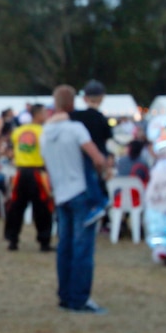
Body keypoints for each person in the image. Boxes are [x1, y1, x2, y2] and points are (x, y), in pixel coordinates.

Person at [41, 85, 108, 314]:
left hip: (60, 193)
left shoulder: (45, 134)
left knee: (65, 247)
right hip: (80, 191)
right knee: (83, 248)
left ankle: (65, 295)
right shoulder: (76, 129)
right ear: (71, 105)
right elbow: (97, 158)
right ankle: (80, 298)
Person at [3, 104, 54, 252]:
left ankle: (12, 239)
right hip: (37, 172)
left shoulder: (18, 131)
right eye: (44, 113)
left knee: (16, 206)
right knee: (43, 207)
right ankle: (44, 241)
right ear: (38, 115)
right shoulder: (44, 132)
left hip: (20, 172)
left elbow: (11, 149)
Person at [70, 79, 113, 227]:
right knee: (98, 188)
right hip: (98, 160)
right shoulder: (101, 119)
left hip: (77, 161)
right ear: (102, 98)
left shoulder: (76, 116)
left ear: (85, 98)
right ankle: (102, 217)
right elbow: (108, 141)